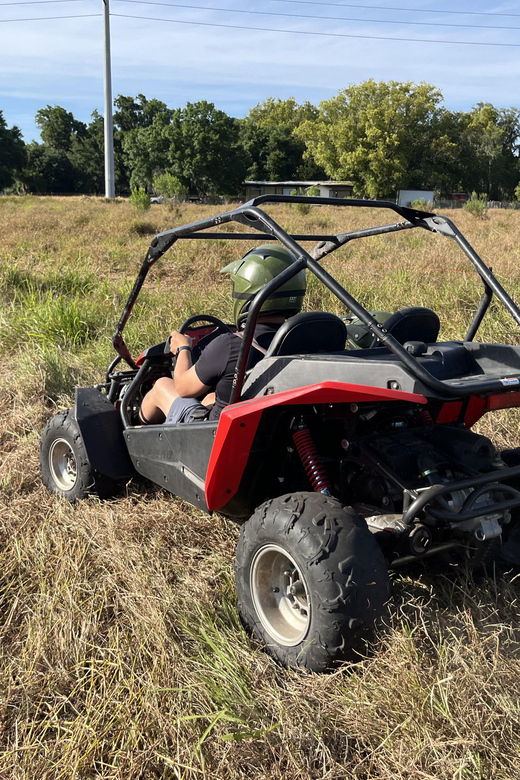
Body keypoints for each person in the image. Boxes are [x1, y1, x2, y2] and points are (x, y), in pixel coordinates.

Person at [139, 244, 307, 425]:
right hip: (275, 423)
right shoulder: (305, 339)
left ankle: (134, 429)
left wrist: (183, 348)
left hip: (217, 432)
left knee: (162, 385)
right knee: (210, 397)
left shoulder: (231, 345)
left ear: (246, 292)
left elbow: (183, 388)